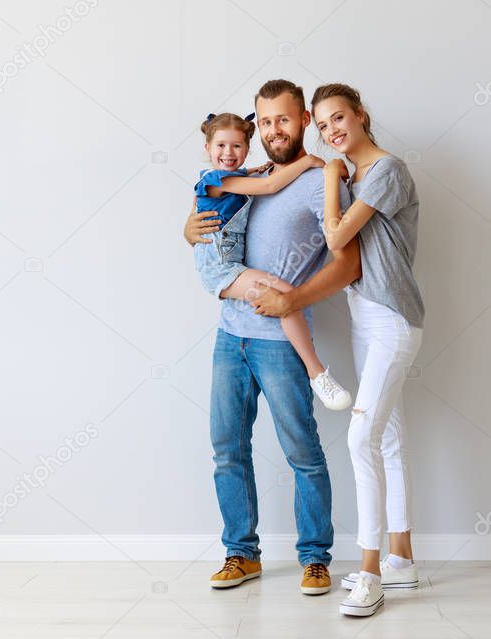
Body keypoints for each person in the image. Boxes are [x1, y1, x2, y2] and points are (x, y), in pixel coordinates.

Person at [183, 79, 360, 595]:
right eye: (263, 122)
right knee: (227, 450)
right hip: (229, 336)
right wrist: (187, 229)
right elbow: (210, 220)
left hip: (279, 342)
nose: (271, 130)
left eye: (282, 119)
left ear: (304, 120)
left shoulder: (323, 182)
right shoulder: (248, 174)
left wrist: (295, 301)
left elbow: (348, 264)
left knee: (303, 452)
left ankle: (315, 558)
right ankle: (242, 554)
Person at [308, 83, 426, 617]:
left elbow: (337, 239)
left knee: (360, 437)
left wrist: (331, 175)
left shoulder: (386, 171)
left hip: (394, 322)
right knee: (390, 437)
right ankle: (401, 559)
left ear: (361, 116)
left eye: (338, 118)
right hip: (363, 319)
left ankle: (371, 571)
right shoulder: (361, 176)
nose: (332, 131)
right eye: (322, 124)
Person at [192, 111, 351, 410]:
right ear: (207, 149)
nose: (229, 153)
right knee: (281, 292)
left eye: (237, 146)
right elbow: (268, 187)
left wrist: (256, 169)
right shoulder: (213, 180)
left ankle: (316, 372)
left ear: (247, 149)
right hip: (219, 268)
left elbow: (256, 180)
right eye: (221, 146)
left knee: (284, 295)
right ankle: (316, 372)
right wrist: (308, 162)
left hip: (231, 265)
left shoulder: (241, 175)